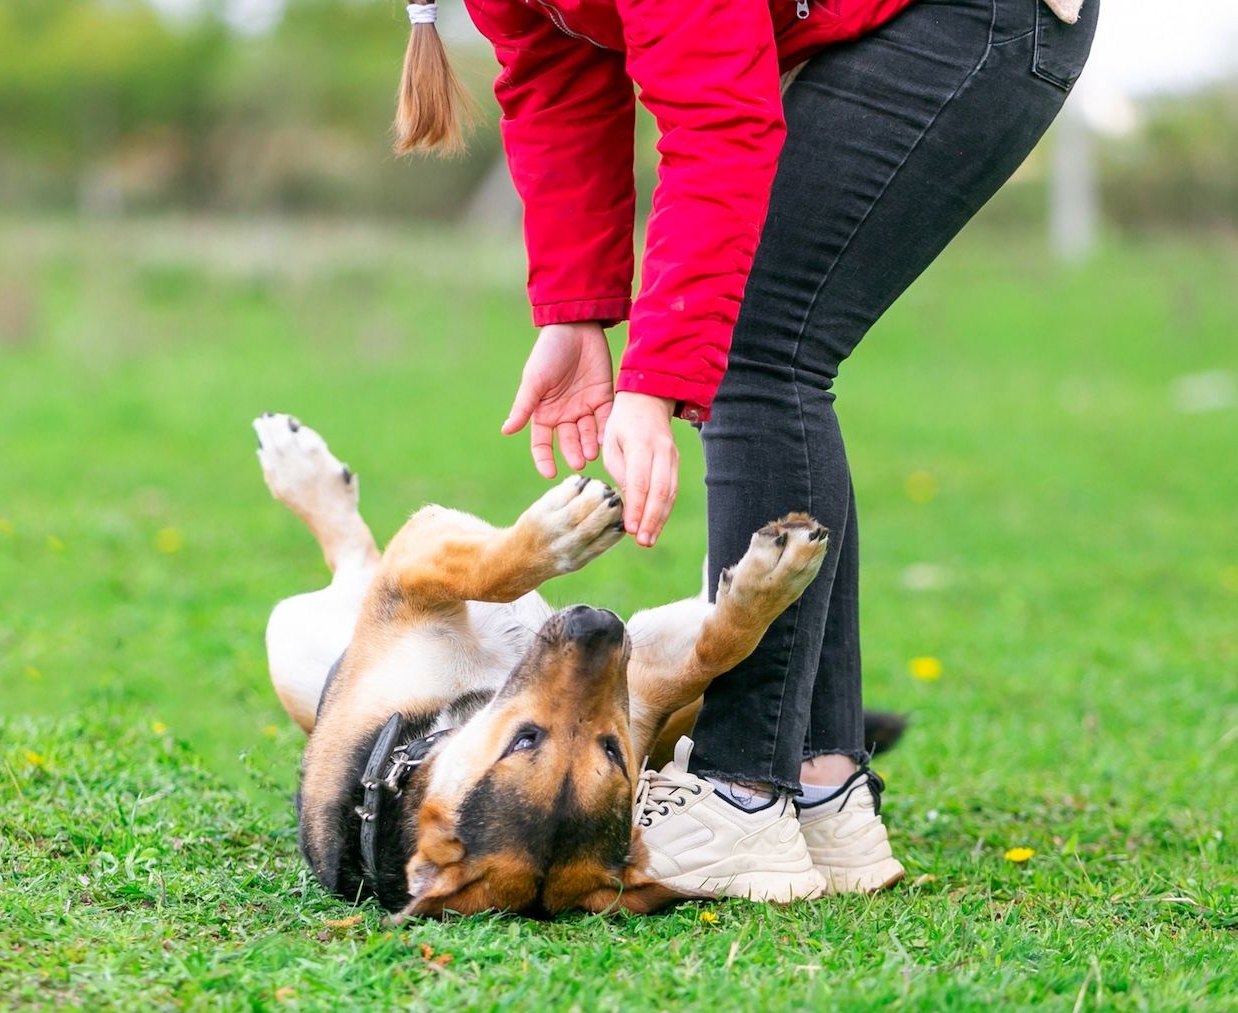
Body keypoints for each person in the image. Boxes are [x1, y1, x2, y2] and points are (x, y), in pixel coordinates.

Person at [391, 0, 1097, 901]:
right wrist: (575, 313)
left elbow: (719, 123)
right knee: (765, 345)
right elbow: (557, 79)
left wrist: (654, 382)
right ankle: (821, 787)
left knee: (756, 346)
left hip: (971, 16)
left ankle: (742, 791)